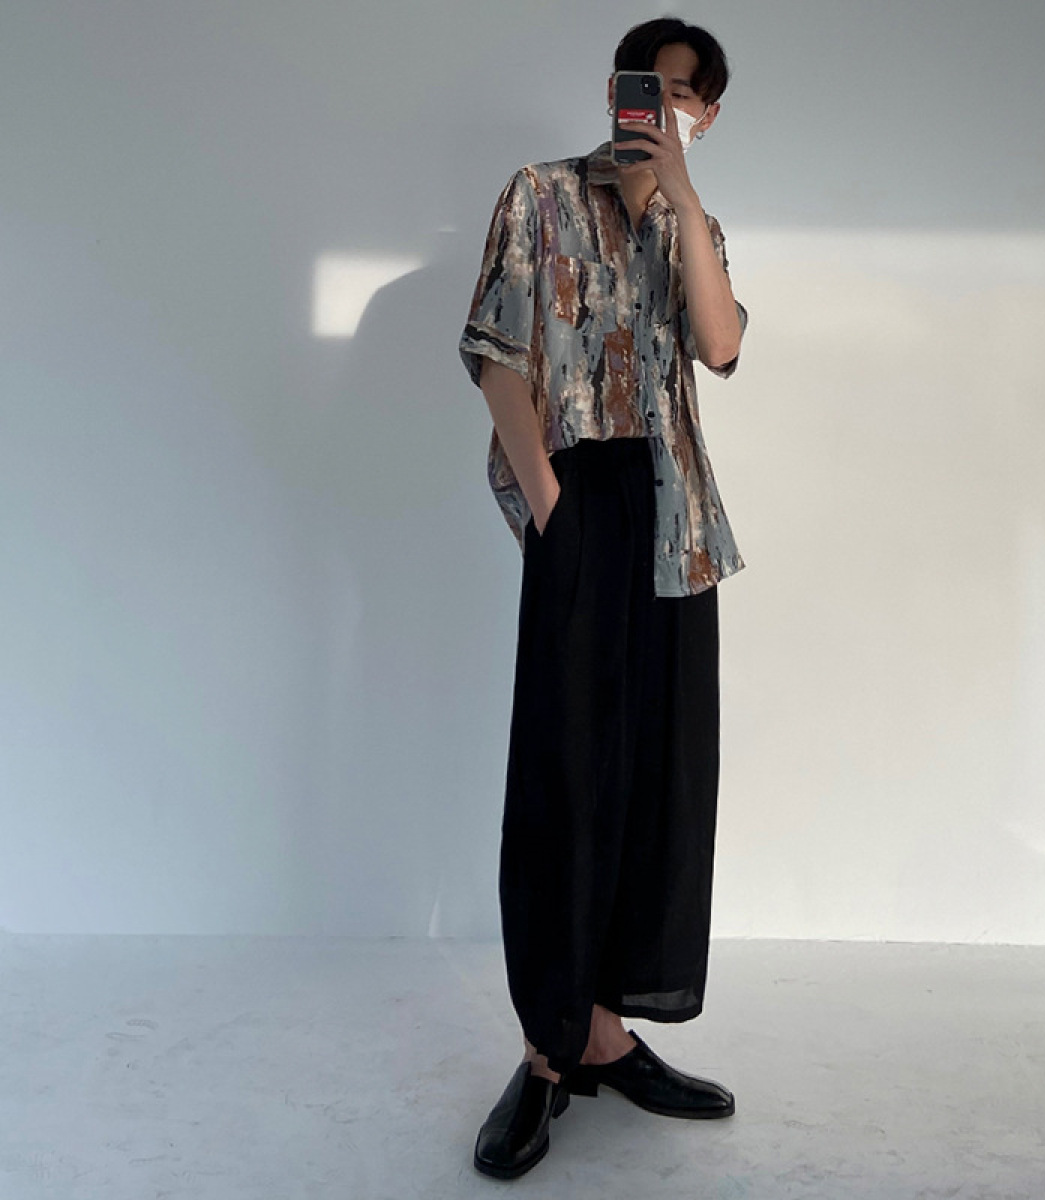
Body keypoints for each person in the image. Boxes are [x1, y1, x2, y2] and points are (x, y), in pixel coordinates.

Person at [458, 16, 749, 1179]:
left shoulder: (695, 226)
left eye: (683, 96)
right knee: (564, 778)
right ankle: (546, 1054)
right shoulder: (539, 195)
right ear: (615, 89)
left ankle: (608, 1034)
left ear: (706, 116)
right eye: (646, 85)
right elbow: (498, 352)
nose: (659, 107)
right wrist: (550, 504)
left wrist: (677, 197)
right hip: (580, 497)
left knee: (658, 780)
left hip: (676, 519)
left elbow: (720, 346)